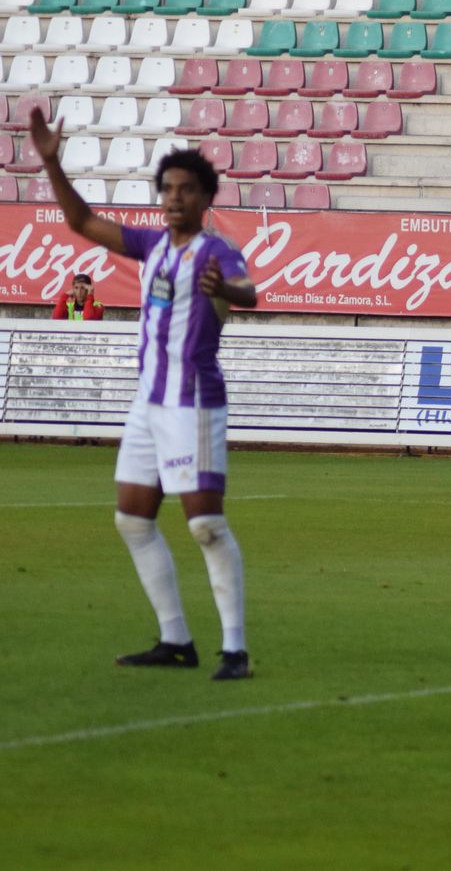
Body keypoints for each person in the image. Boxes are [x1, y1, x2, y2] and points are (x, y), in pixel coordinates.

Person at [30, 109, 259, 682]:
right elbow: (82, 221)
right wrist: (53, 162)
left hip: (193, 402)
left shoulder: (216, 252)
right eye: (168, 188)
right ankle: (175, 639)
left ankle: (235, 650)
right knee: (133, 521)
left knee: (204, 525)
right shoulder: (151, 245)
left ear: (206, 196)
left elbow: (250, 293)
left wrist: (224, 290)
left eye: (186, 189)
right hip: (148, 405)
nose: (175, 197)